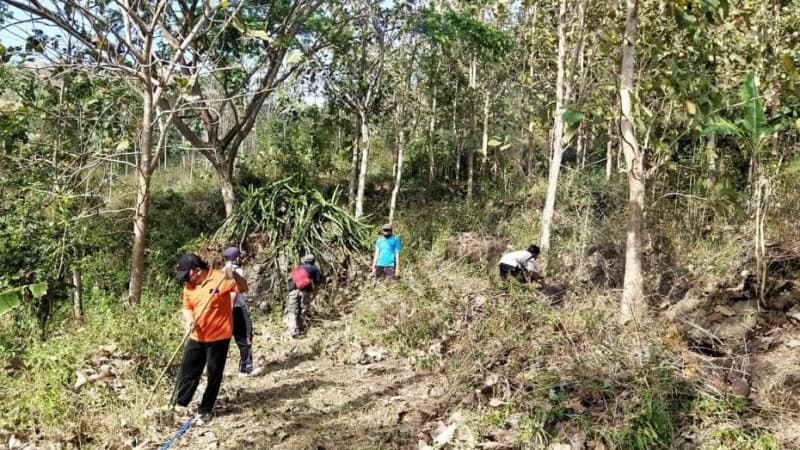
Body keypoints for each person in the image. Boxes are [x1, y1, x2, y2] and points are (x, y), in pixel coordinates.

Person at [173, 253, 248, 422]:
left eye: (187, 275)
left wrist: (234, 274)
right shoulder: (189, 287)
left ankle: (205, 409)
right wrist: (190, 320)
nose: (185, 279)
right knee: (188, 371)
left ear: (197, 270)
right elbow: (187, 307)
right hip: (197, 335)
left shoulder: (221, 278)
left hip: (219, 336)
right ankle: (180, 404)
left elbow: (243, 289)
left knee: (214, 373)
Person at [222, 247, 260, 377]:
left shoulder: (222, 271)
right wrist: (230, 310)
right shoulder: (236, 271)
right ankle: (246, 368)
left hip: (225, 311)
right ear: (236, 258)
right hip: (236, 310)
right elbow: (232, 292)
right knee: (246, 336)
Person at [285, 253, 323, 338]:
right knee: (303, 310)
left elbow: (290, 280)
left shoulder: (297, 269)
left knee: (292, 311)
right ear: (313, 261)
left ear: (304, 261)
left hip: (293, 291)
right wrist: (313, 296)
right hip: (305, 291)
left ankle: (293, 331)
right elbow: (317, 286)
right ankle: (302, 330)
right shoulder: (315, 270)